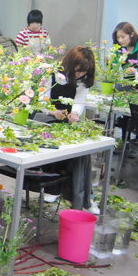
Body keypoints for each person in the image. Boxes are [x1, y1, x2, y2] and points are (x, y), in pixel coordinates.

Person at [39, 46, 97, 212]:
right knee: (57, 144)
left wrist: (75, 114)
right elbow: (41, 101)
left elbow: (79, 101)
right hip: (47, 119)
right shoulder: (51, 73)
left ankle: (85, 196)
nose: (80, 75)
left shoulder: (83, 80)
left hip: (66, 120)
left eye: (83, 72)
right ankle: (61, 191)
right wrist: (54, 112)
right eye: (77, 71)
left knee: (83, 152)